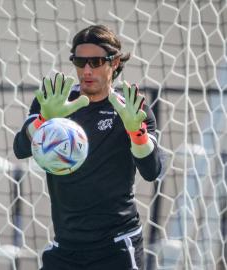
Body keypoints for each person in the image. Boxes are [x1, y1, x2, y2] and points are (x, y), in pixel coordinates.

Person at [13, 24, 162, 270]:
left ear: (114, 64)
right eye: (80, 62)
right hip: (65, 246)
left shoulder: (132, 108)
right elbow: (21, 148)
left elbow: (152, 170)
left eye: (96, 61)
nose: (87, 70)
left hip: (116, 246)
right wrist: (43, 120)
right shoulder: (55, 101)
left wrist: (136, 132)